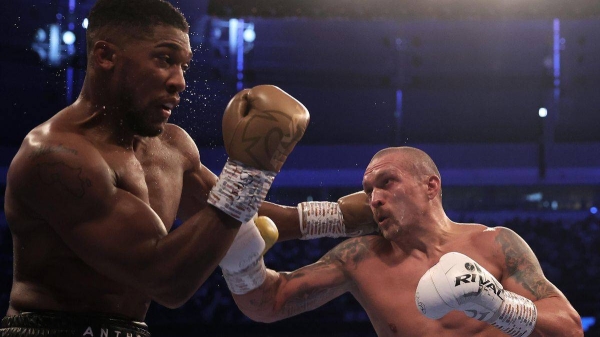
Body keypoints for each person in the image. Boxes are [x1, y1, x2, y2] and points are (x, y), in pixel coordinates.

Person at [0, 0, 335, 335]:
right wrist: (248, 171)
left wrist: (348, 217)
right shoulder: (54, 156)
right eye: (165, 59)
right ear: (105, 56)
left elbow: (241, 215)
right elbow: (164, 279)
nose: (180, 82)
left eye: (184, 66)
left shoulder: (172, 147)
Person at [224, 146, 584, 337]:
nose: (374, 198)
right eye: (367, 191)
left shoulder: (494, 243)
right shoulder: (359, 258)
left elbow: (569, 329)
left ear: (431, 186)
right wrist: (241, 262)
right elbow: (268, 304)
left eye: (387, 182)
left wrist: (501, 307)